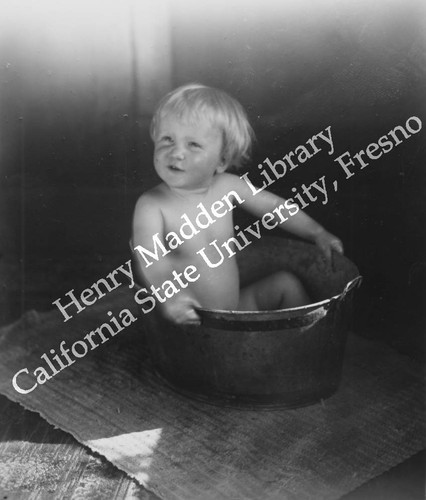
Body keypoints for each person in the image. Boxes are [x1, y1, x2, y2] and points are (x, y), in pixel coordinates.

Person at [131, 83, 343, 324]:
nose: (176, 152)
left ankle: (302, 347)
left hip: (234, 312)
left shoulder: (228, 186)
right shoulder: (152, 205)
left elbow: (275, 208)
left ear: (221, 160)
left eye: (193, 144)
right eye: (167, 139)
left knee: (287, 285)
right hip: (192, 320)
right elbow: (151, 259)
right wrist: (172, 300)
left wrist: (317, 232)